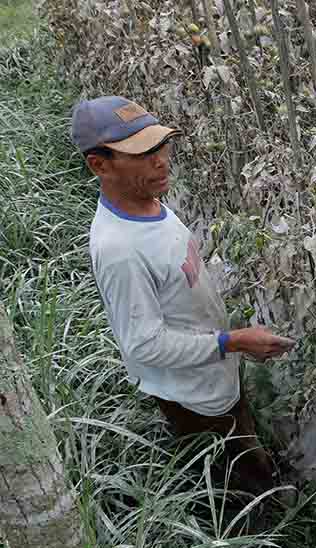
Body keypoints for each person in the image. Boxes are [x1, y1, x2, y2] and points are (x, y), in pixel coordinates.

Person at [71, 95, 294, 497]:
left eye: (160, 146)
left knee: (239, 429)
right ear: (99, 165)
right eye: (141, 153)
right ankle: (256, 532)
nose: (160, 160)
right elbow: (143, 346)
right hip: (193, 396)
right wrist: (233, 341)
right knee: (233, 476)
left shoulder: (148, 201)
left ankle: (255, 467)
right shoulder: (120, 250)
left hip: (212, 371)